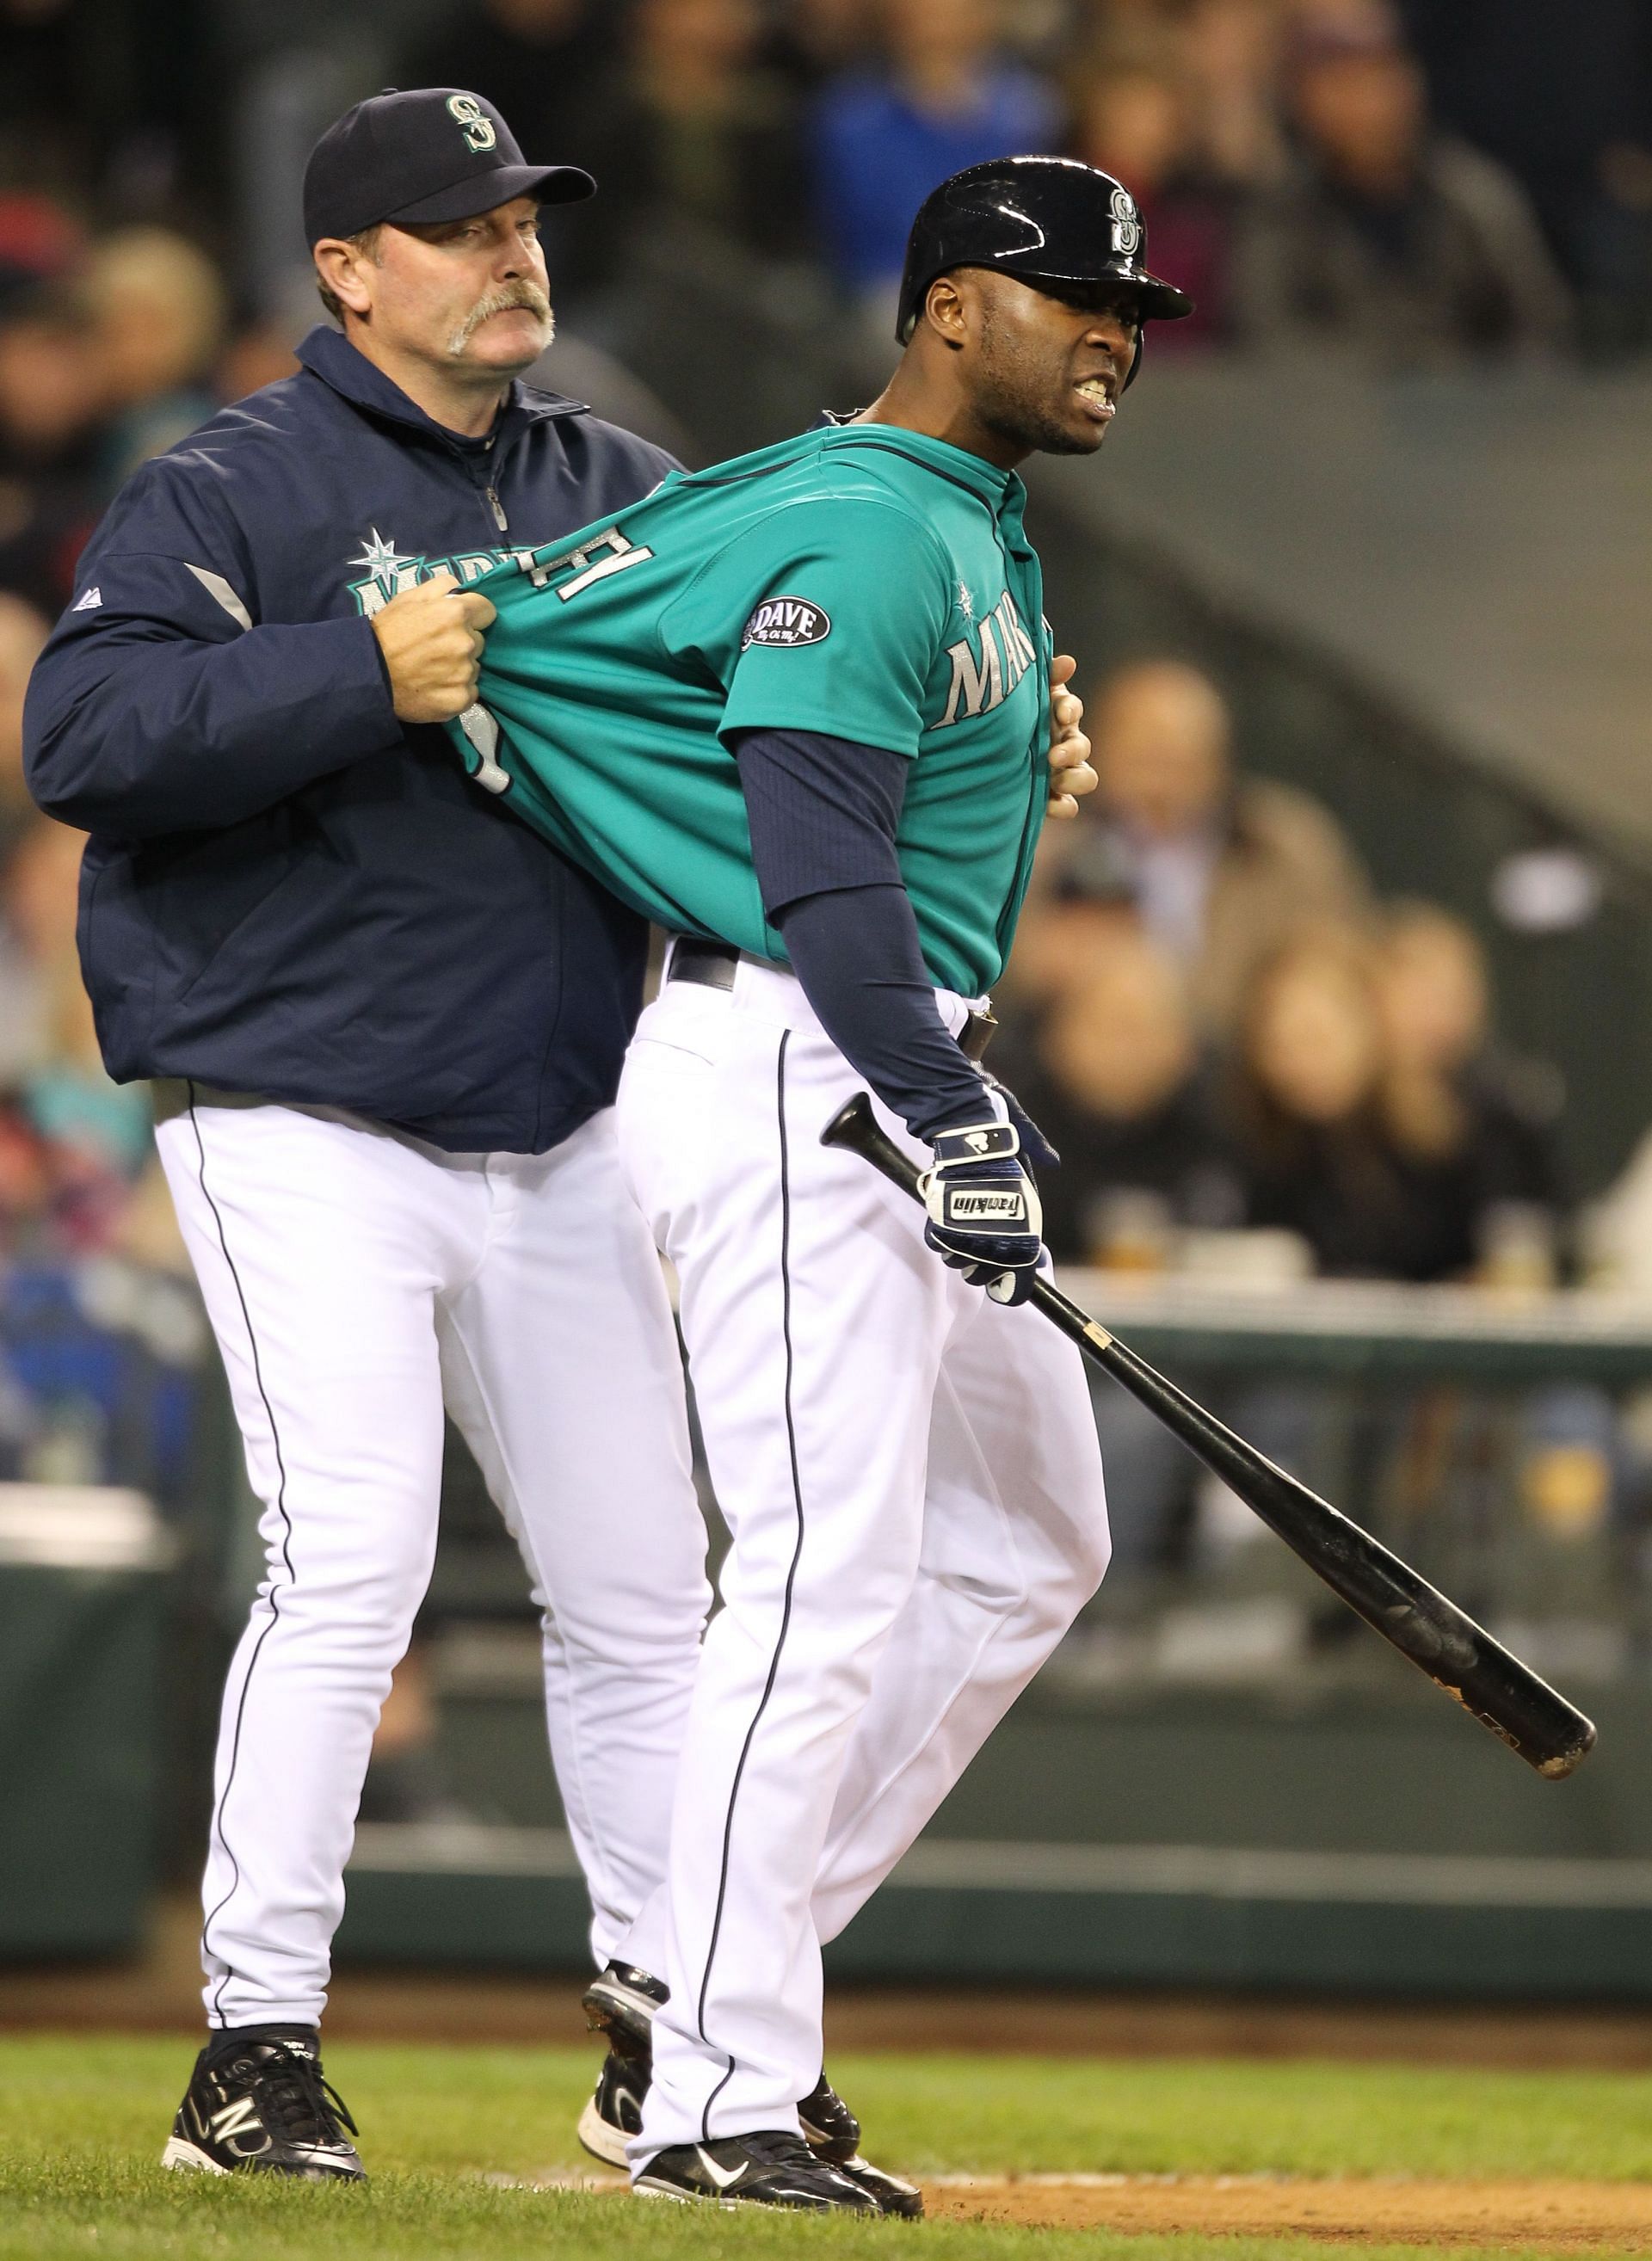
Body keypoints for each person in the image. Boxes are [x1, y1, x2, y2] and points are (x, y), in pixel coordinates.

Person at [444, 154, 1191, 2210]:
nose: (1116, 333)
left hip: (869, 1046)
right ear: (949, 305)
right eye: (1070, 297)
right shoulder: (870, 532)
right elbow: (819, 868)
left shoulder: (930, 510)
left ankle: (697, 1981)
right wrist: (938, 1106)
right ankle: (711, 2091)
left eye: (1132, 306)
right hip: (804, 1053)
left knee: (1034, 1536)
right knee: (818, 1574)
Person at [22, 87, 716, 2190]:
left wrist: (983, 735)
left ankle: (680, 2045)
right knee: (353, 1567)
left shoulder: (620, 482)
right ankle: (252, 2044)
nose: (513, 250)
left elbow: (783, 697)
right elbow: (83, 739)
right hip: (304, 1103)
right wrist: (351, 670)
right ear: (347, 269)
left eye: (524, 217)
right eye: (459, 225)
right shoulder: (227, 482)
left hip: (563, 1111)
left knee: (643, 1596)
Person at [1234, 4, 1569, 366]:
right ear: (1306, 99)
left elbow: (1539, 328)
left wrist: (1463, 384)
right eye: (1344, 83)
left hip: (1467, 410)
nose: (1369, 104)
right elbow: (1266, 336)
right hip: (1329, 412)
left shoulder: (1472, 196)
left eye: (1383, 77)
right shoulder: (1282, 211)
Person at [1088, 657, 1370, 1035]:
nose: (1161, 784)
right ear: (1100, 751)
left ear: (1219, 763)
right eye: (1144, 757)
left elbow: (1341, 973)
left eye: (1180, 760)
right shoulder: (1041, 844)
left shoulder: (1288, 847)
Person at [811, 0, 1062, 301]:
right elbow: (862, 228)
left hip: (1012, 280)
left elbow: (1038, 215)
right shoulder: (851, 116)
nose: (939, 27)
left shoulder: (1031, 109)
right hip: (890, 285)